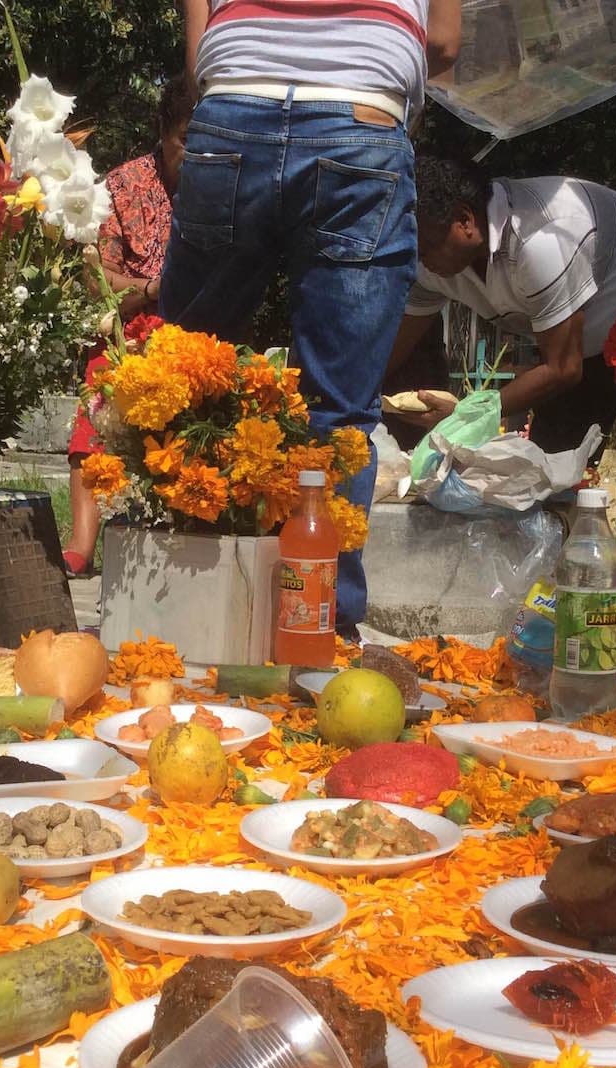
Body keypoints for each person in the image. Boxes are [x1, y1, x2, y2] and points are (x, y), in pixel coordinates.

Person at [158, 0, 462, 636]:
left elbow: (196, 52)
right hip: (362, 115)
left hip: (233, 104)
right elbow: (445, 48)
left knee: (182, 380)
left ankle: (172, 609)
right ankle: (316, 628)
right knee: (338, 407)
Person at [387, 155, 616, 636]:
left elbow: (562, 368)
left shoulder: (540, 239)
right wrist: (357, 393)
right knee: (542, 468)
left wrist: (471, 412)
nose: (421, 258)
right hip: (582, 332)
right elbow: (399, 340)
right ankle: (542, 610)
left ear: (465, 221)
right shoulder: (435, 255)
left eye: (428, 244)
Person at [62, 74, 194, 578]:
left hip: (197, 335)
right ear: (163, 131)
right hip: (130, 325)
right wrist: (153, 291)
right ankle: (81, 540)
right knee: (99, 383)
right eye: (186, 139)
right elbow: (95, 274)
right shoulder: (121, 186)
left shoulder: (228, 193)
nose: (195, 153)